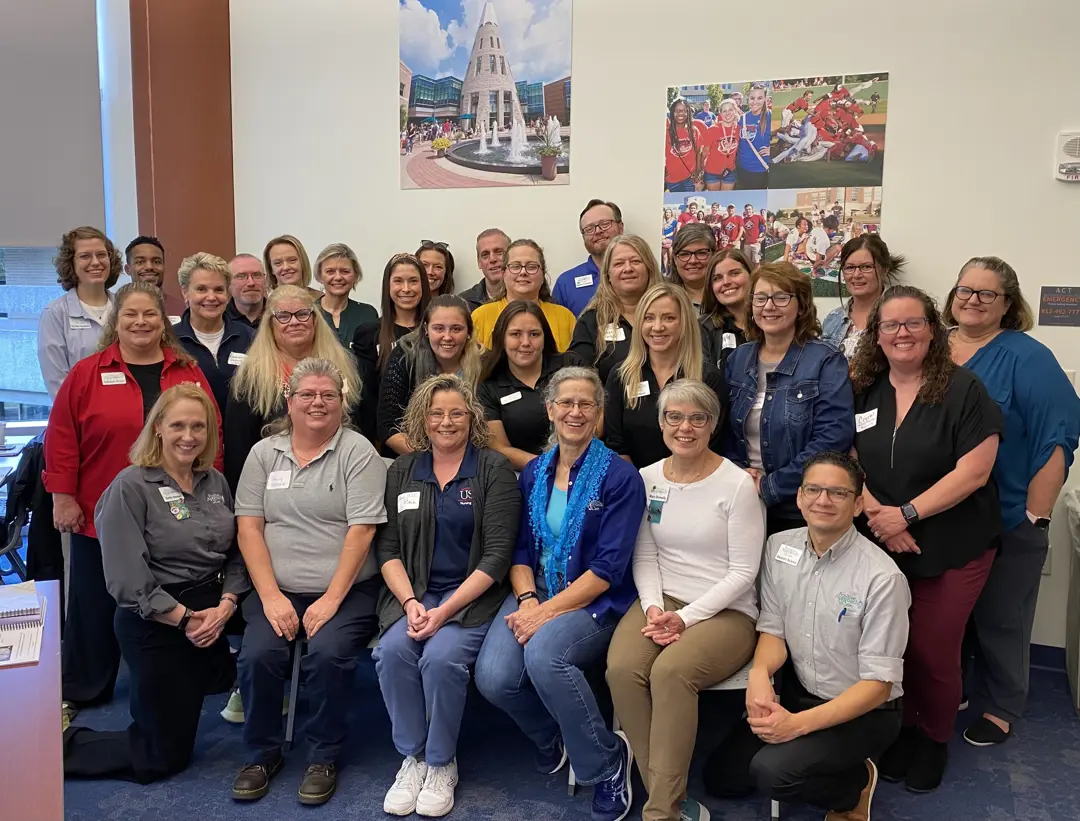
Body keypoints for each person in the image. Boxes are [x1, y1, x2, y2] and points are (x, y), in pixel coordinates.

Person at [474, 366, 646, 821]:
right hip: (535, 589)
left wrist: (544, 612)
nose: (575, 412)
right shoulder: (535, 471)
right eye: (566, 402)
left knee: (545, 656)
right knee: (493, 678)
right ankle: (553, 734)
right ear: (549, 410)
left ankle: (607, 761)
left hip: (596, 599)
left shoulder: (620, 477)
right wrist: (528, 601)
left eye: (586, 404)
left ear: (599, 413)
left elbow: (607, 570)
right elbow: (520, 549)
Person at [44, 282, 222, 718]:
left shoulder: (186, 370)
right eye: (131, 314)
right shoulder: (87, 373)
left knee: (169, 595)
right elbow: (62, 437)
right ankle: (85, 688)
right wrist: (62, 497)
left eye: (150, 314)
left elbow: (210, 432)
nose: (141, 322)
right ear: (116, 321)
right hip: (100, 511)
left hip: (173, 517)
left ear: (164, 322)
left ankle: (189, 680)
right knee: (92, 603)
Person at [849, 285, 1003, 792]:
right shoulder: (864, 388)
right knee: (894, 645)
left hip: (954, 542)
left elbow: (975, 472)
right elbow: (848, 455)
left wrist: (907, 515)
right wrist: (879, 515)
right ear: (876, 335)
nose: (902, 333)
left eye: (913, 322)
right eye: (890, 325)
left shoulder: (964, 390)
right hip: (884, 538)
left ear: (933, 330)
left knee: (933, 650)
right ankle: (907, 728)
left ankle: (934, 738)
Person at [62, 385, 244, 782]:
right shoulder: (130, 486)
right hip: (156, 621)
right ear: (158, 427)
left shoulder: (214, 481)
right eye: (178, 425)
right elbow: (127, 580)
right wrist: (185, 620)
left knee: (183, 724)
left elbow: (236, 553)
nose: (189, 436)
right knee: (160, 756)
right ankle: (53, 747)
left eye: (198, 426)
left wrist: (227, 604)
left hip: (211, 612)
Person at [230, 358, 388, 806]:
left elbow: (362, 532)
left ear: (342, 402)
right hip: (275, 589)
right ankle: (261, 754)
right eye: (307, 394)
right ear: (290, 401)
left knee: (329, 653)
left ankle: (322, 756)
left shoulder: (358, 452)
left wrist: (331, 600)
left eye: (328, 395)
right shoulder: (265, 454)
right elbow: (249, 528)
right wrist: (270, 596)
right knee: (258, 655)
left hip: (347, 590)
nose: (318, 403)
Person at [606, 380, 763, 821]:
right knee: (621, 670)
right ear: (661, 423)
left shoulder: (737, 485)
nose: (685, 427)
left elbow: (743, 572)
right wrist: (655, 607)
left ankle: (661, 811)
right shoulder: (647, 478)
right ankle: (665, 790)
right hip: (662, 600)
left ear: (712, 425)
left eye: (697, 418)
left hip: (726, 611)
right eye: (674, 417)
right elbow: (645, 554)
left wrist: (685, 618)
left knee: (670, 673)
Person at [944, 258, 1080, 746]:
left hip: (1007, 516)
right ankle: (955, 687)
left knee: (1002, 616)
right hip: (941, 513)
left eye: (987, 293)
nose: (973, 301)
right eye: (965, 290)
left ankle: (1002, 707)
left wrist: (1033, 517)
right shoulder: (935, 346)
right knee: (948, 612)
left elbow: (1057, 439)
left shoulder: (1028, 356)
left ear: (1008, 303)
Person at [374, 375, 520, 817]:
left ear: (472, 418)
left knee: (440, 659)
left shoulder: (493, 469)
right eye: (436, 413)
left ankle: (440, 763)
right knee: (392, 652)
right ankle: (413, 757)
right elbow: (387, 549)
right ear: (423, 419)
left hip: (471, 597)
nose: (446, 422)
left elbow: (497, 556)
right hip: (414, 594)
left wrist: (444, 611)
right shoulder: (402, 470)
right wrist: (410, 603)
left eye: (457, 413)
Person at [740, 452, 910, 821]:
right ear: (799, 497)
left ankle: (854, 787)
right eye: (813, 490)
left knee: (771, 773)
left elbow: (878, 686)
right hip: (802, 694)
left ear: (857, 504)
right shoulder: (778, 548)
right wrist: (759, 674)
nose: (823, 500)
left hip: (864, 712)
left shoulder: (882, 578)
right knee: (726, 779)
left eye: (838, 493)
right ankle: (819, 757)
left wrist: (795, 726)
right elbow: (773, 628)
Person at [724, 262, 854, 535]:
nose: (769, 306)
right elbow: (723, 430)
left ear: (802, 306)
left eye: (781, 297)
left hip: (800, 506)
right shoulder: (738, 359)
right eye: (761, 298)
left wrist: (771, 485)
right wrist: (739, 475)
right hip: (742, 499)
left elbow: (833, 437)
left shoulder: (825, 360)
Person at [224, 284, 360, 492]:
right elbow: (238, 449)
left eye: (302, 314)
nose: (294, 322)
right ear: (270, 324)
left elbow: (357, 428)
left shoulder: (342, 366)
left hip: (338, 482)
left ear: (315, 319)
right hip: (274, 488)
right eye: (283, 316)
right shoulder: (250, 379)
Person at [606, 283, 726, 469]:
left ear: (684, 323)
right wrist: (638, 482)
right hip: (635, 480)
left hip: (694, 479)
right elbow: (616, 444)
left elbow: (714, 444)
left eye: (669, 318)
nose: (657, 327)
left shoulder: (708, 379)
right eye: (649, 318)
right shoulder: (621, 376)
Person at [478, 301, 581, 471]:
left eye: (534, 334)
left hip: (583, 465)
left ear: (545, 337)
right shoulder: (489, 385)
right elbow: (500, 448)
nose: (525, 342)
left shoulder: (571, 365)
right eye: (516, 334)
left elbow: (597, 413)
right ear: (502, 338)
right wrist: (551, 467)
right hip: (524, 473)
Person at [378, 295, 482, 456]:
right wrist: (433, 461)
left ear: (469, 331)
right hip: (414, 455)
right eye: (439, 328)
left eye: (456, 329)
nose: (447, 337)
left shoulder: (484, 363)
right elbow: (387, 426)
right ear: (426, 329)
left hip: (472, 457)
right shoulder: (404, 356)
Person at [352, 253, 431, 444]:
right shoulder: (369, 333)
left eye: (413, 281)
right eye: (398, 281)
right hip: (389, 438)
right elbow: (367, 396)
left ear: (423, 285)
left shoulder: (436, 330)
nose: (406, 288)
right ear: (387, 286)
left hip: (435, 429)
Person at [38, 226, 122, 398]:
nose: (95, 262)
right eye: (85, 256)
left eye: (101, 254)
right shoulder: (55, 314)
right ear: (71, 263)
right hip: (79, 411)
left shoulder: (124, 308)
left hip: (126, 406)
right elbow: (57, 382)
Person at [570, 235, 662, 387]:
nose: (628, 269)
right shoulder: (591, 321)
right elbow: (577, 378)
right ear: (608, 274)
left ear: (649, 268)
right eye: (619, 263)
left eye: (635, 261)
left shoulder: (672, 314)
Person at [174, 252, 256, 417]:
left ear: (228, 293)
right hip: (192, 431)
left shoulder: (251, 338)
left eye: (219, 289)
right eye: (201, 289)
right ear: (185, 292)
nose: (211, 297)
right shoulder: (169, 340)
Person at [471, 239, 576, 351]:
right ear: (503, 273)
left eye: (531, 266)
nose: (523, 272)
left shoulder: (565, 317)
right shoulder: (481, 317)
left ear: (542, 275)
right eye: (515, 266)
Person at [822, 235, 907, 359]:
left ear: (884, 270)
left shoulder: (903, 316)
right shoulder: (833, 319)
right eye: (850, 267)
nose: (856, 275)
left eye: (866, 267)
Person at [551, 199, 625, 316]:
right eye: (589, 229)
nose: (598, 231)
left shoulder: (640, 274)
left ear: (620, 228)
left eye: (605, 224)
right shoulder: (566, 284)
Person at [313, 243, 379, 346]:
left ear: (355, 275)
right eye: (330, 271)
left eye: (345, 271)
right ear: (320, 276)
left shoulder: (367, 314)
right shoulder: (308, 314)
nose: (338, 277)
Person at [699, 249, 751, 371]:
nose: (726, 282)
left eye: (734, 273)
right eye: (717, 278)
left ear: (751, 274)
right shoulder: (704, 328)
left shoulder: (770, 320)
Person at [458, 228, 509, 313]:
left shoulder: (527, 295)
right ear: (479, 263)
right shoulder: (462, 303)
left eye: (499, 252)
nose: (492, 259)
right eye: (485, 254)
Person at [667, 223, 716, 308]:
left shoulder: (729, 296)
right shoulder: (664, 300)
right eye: (684, 254)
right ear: (675, 259)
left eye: (701, 253)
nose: (693, 261)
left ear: (714, 255)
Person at [664, 97, 705, 193]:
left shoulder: (694, 131)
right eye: (677, 111)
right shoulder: (666, 133)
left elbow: (698, 152)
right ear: (672, 113)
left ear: (688, 113)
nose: (680, 114)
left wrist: (698, 170)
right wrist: (664, 170)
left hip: (689, 178)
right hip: (672, 179)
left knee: (689, 201)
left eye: (683, 111)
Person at [736, 84, 772, 189]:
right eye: (752, 98)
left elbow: (783, 134)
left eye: (759, 98)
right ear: (748, 99)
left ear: (765, 99)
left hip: (761, 170)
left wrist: (772, 149)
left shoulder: (770, 116)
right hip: (741, 169)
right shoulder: (742, 118)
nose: (755, 102)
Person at [227, 254, 269, 328]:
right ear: (228, 283)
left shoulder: (280, 316)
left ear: (265, 280)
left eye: (256, 275)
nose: (251, 283)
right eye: (241, 276)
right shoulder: (219, 320)